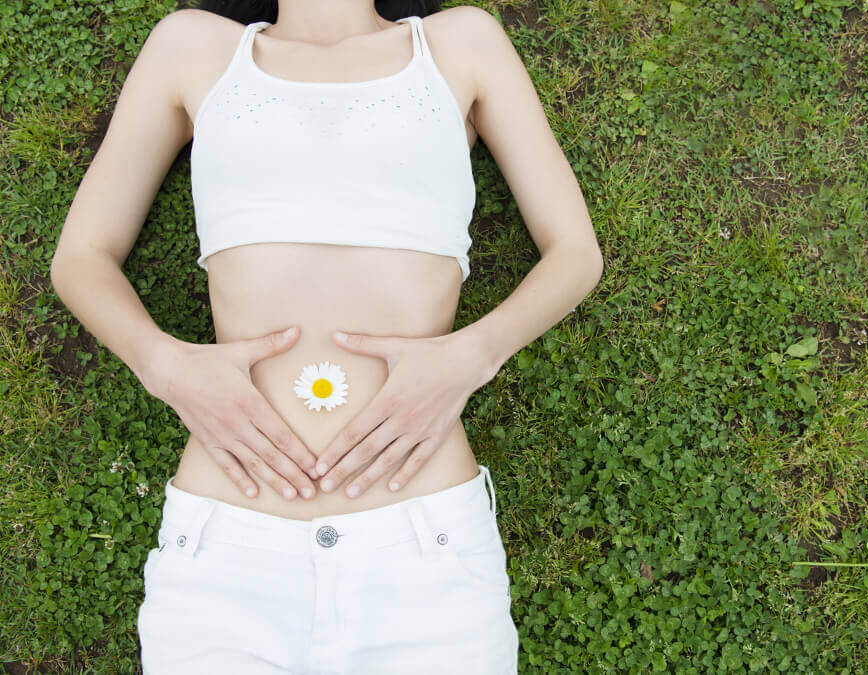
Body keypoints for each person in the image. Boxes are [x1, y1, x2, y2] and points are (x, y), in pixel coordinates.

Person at [50, 0, 604, 672]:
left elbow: (575, 251)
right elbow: (81, 256)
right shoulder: (192, 49)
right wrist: (164, 365)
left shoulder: (460, 45)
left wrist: (471, 357)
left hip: (424, 559)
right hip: (228, 556)